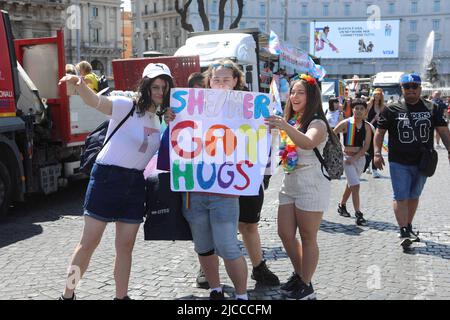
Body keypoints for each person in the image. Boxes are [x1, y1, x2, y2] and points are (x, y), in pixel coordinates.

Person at [57, 63, 174, 300]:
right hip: (107, 178)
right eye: (155, 86)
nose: (160, 91)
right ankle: (67, 295)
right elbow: (96, 102)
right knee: (88, 243)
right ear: (146, 86)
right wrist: (80, 86)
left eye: (164, 87)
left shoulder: (161, 118)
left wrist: (172, 123)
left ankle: (121, 297)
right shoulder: (126, 105)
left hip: (135, 184)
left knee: (126, 246)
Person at [166, 59, 250, 300]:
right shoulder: (191, 107)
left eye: (226, 79)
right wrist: (170, 119)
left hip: (224, 189)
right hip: (194, 189)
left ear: (235, 82)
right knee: (202, 245)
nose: (221, 83)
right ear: (209, 81)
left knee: (227, 245)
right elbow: (175, 139)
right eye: (216, 79)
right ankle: (215, 290)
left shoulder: (247, 109)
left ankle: (242, 296)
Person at [266, 74, 331, 300]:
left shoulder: (318, 123)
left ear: (311, 96)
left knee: (307, 236)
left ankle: (305, 284)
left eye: (300, 92)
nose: (294, 96)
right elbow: (279, 144)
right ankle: (301, 275)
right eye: (292, 92)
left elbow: (308, 142)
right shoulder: (292, 121)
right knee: (284, 232)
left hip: (311, 183)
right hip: (290, 181)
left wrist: (284, 125)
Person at [374, 74, 450, 246]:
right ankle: (403, 231)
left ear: (420, 88)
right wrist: (377, 153)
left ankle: (408, 225)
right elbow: (379, 132)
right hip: (398, 160)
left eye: (414, 86)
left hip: (423, 160)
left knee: (414, 195)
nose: (410, 90)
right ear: (401, 89)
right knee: (400, 196)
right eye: (406, 87)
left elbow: (443, 131)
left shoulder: (432, 107)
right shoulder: (392, 108)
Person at [334, 99, 372, 226]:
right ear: (352, 109)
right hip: (347, 159)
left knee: (351, 184)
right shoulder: (346, 123)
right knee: (355, 185)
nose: (359, 111)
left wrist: (355, 158)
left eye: (362, 109)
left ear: (365, 111)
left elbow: (366, 146)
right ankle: (358, 213)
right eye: (357, 108)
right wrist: (340, 150)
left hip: (359, 159)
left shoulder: (367, 126)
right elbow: (333, 134)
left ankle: (342, 205)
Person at [366, 88, 385, 178]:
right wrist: (374, 119)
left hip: (378, 130)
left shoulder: (382, 106)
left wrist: (380, 119)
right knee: (369, 149)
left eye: (379, 95)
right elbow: (364, 117)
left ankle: (374, 169)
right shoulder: (369, 104)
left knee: (376, 149)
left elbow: (384, 118)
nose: (377, 96)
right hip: (369, 128)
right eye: (376, 94)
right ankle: (368, 167)